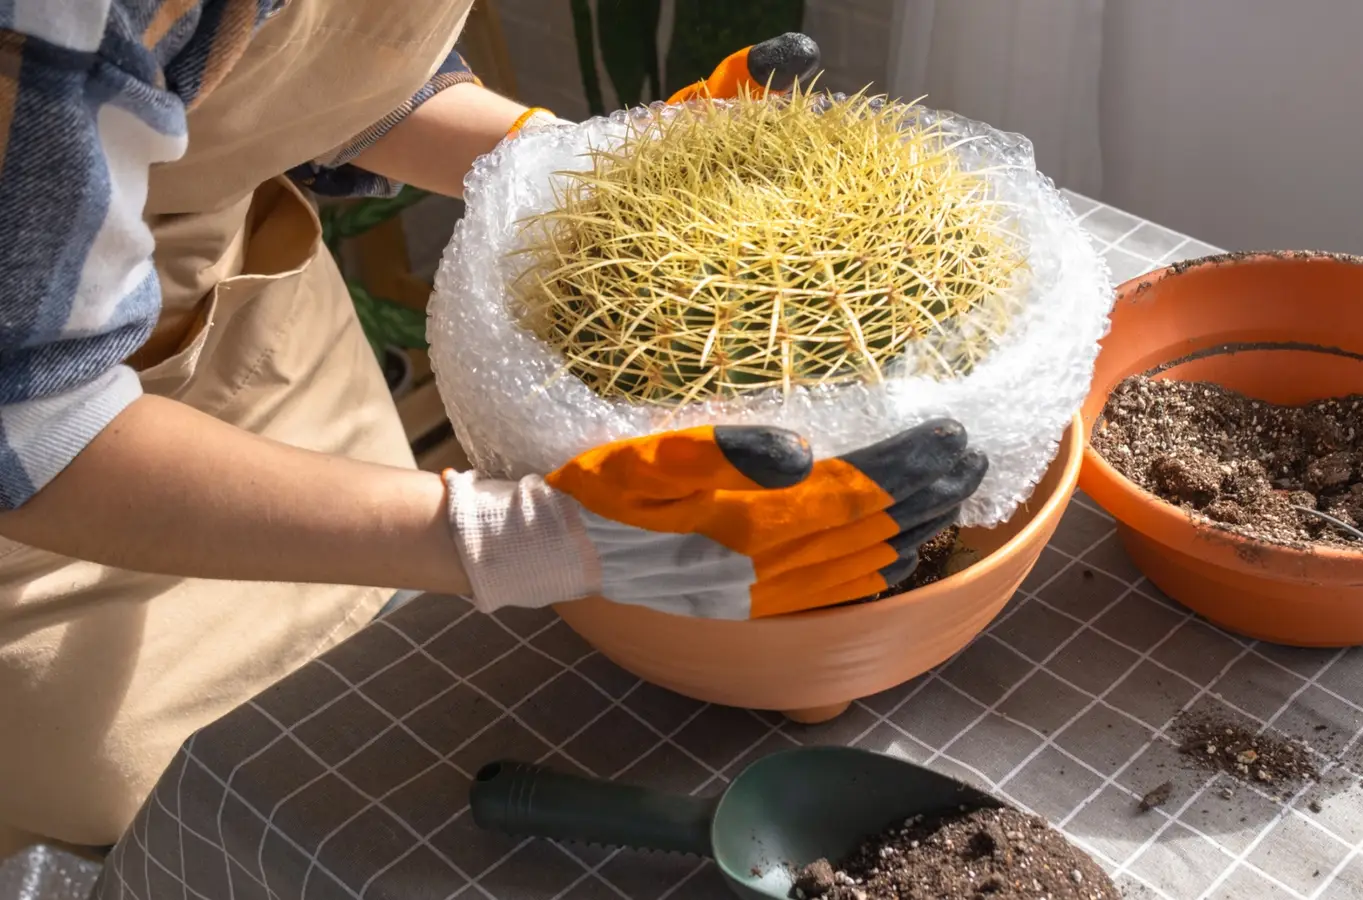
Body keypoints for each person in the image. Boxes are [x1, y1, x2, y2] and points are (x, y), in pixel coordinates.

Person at [0, 4, 987, 852]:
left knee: (390, 683)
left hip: (245, 318)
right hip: (57, 504)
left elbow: (310, 63)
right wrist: (527, 540)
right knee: (230, 812)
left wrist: (574, 167)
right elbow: (33, 427)